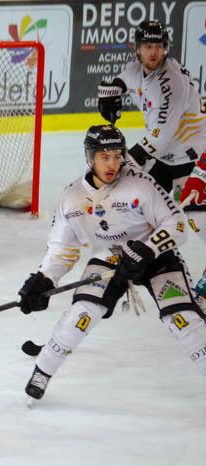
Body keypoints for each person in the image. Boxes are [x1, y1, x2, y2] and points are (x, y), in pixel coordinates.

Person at [17, 124, 206, 403]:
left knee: (182, 320)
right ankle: (42, 372)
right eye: (104, 157)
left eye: (117, 156)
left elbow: (177, 224)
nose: (112, 164)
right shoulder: (71, 197)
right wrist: (45, 278)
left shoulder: (141, 183)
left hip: (157, 258)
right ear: (89, 157)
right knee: (82, 312)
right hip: (109, 259)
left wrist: (148, 248)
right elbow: (61, 248)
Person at [97, 20, 206, 281]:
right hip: (166, 158)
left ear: (165, 48)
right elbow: (126, 77)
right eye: (147, 46)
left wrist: (127, 159)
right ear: (137, 49)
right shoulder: (137, 66)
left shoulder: (172, 83)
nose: (153, 52)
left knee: (196, 218)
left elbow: (161, 137)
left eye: (158, 46)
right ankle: (135, 256)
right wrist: (115, 88)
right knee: (139, 203)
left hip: (192, 158)